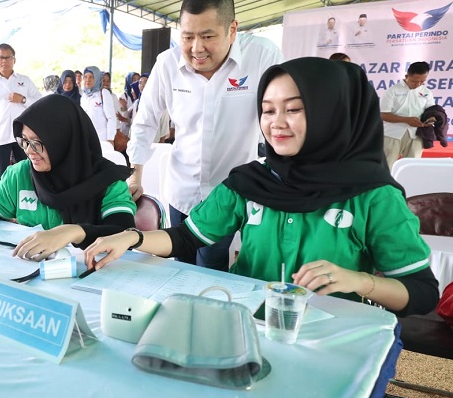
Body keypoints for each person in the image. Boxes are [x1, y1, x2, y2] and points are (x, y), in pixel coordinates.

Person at [87, 57, 439, 318]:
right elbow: (187, 238)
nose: (276, 124)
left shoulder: (373, 196)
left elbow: (421, 292)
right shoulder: (252, 181)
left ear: (334, 113)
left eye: (295, 109)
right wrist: (132, 238)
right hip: (244, 329)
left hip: (326, 337)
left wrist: (360, 282)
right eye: (267, 111)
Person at [126, 0, 283, 271]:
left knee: (211, 265)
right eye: (187, 37)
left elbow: (281, 116)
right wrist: (136, 174)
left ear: (232, 30)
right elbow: (146, 120)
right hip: (181, 188)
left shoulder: (262, 57)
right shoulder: (167, 64)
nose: (196, 48)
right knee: (181, 264)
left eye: (208, 36)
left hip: (230, 191)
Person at [0, 94, 136, 260]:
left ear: (65, 141)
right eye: (24, 141)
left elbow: (122, 232)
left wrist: (71, 233)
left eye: (38, 142)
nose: (29, 151)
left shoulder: (107, 180)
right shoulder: (21, 174)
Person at [0, 43, 42, 183]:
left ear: (14, 60)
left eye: (8, 58)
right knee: (2, 175)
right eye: (1, 58)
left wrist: (23, 99)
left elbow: (40, 102)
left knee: (27, 169)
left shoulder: (24, 80)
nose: (4, 61)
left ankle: (29, 199)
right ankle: (4, 203)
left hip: (22, 135)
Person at [381, 61, 436, 169]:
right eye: (414, 81)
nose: (418, 84)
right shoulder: (392, 91)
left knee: (413, 167)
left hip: (416, 135)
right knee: (386, 167)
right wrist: (406, 120)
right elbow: (383, 115)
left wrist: (431, 119)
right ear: (407, 76)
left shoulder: (427, 92)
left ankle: (409, 186)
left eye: (422, 81)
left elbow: (431, 111)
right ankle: (386, 186)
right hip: (392, 134)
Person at [80, 66, 117, 143]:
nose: (88, 80)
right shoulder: (84, 96)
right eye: (85, 77)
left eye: (91, 77)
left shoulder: (103, 93)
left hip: (102, 139)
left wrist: (110, 139)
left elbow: (111, 118)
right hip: (86, 139)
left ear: (97, 78)